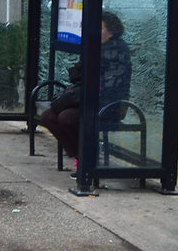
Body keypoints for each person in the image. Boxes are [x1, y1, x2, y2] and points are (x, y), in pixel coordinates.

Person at [38, 11, 131, 171]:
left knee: (67, 118)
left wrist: (86, 76)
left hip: (109, 104)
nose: (93, 32)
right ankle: (81, 156)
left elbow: (109, 84)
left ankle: (88, 159)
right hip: (89, 99)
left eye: (99, 28)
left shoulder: (118, 50)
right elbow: (77, 72)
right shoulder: (95, 47)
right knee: (48, 116)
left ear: (110, 32)